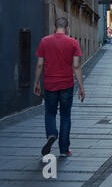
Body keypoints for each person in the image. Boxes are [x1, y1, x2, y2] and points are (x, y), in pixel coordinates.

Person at [33, 17, 85, 157]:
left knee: (50, 113)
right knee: (65, 115)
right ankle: (64, 149)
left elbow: (39, 64)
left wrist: (36, 82)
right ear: (67, 28)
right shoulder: (73, 42)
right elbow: (76, 66)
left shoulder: (45, 41)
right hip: (67, 85)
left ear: (54, 27)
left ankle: (51, 134)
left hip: (50, 85)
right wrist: (81, 87)